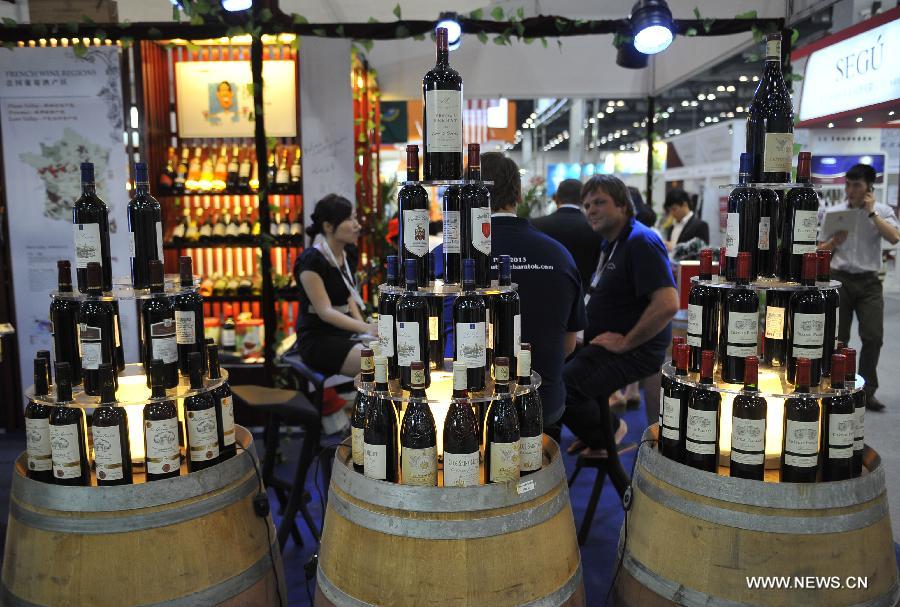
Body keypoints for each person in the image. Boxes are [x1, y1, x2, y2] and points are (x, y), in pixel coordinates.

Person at [434, 153, 586, 435]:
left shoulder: (444, 257)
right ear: (519, 193)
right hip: (542, 407)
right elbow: (567, 345)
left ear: (467, 196)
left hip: (466, 411)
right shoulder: (559, 255)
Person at [562, 175, 678, 462]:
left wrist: (626, 342)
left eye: (600, 202)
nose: (591, 210)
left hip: (634, 352)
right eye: (587, 205)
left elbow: (667, 304)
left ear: (623, 205)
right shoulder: (611, 243)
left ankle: (608, 431)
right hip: (606, 344)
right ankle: (597, 433)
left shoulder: (641, 241)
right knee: (550, 375)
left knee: (564, 386)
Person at [818, 164, 900, 411]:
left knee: (873, 336)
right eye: (848, 184)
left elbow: (894, 238)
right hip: (839, 279)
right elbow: (819, 251)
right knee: (838, 338)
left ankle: (867, 391)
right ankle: (837, 385)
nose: (850, 190)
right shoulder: (835, 211)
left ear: (868, 189)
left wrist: (872, 214)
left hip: (869, 282)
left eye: (856, 185)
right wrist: (834, 242)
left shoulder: (882, 211)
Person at [292, 194, 377, 378]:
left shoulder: (349, 253)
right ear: (328, 226)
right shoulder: (311, 261)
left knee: (390, 358)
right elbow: (325, 312)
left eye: (354, 217)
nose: (357, 225)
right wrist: (366, 329)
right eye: (348, 219)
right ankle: (365, 407)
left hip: (345, 333)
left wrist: (364, 326)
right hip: (318, 338)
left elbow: (348, 294)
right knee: (377, 366)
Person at [532, 178, 602, 291]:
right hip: (583, 295)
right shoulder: (595, 227)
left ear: (556, 198)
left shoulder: (536, 225)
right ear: (583, 199)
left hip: (544, 292)